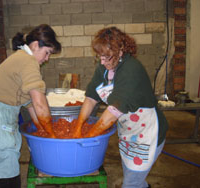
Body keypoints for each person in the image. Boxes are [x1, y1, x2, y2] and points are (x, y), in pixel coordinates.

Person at [71, 27, 168, 188]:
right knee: (133, 176)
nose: (102, 61)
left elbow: (112, 112)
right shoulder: (104, 67)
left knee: (131, 183)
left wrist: (86, 138)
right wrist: (78, 127)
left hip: (147, 133)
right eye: (99, 56)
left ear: (121, 50)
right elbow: (90, 98)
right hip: (129, 131)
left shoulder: (131, 70)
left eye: (106, 56)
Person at [0, 24, 61, 188]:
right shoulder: (28, 62)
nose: (47, 58)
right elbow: (40, 104)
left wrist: (41, 129)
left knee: (5, 174)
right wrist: (52, 136)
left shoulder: (21, 58)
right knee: (8, 177)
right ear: (35, 45)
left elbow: (31, 105)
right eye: (47, 52)